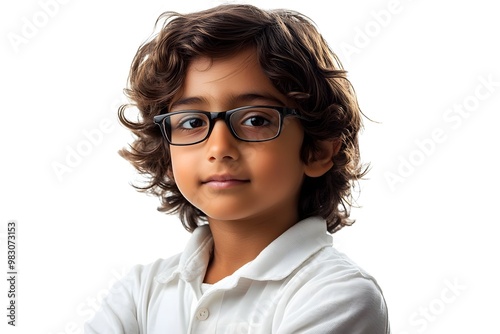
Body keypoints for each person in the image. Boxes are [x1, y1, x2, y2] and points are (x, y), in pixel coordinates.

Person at [85, 4, 390, 333]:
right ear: (167, 152)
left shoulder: (338, 295)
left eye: (255, 120)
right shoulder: (139, 292)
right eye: (191, 122)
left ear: (318, 150)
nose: (218, 148)